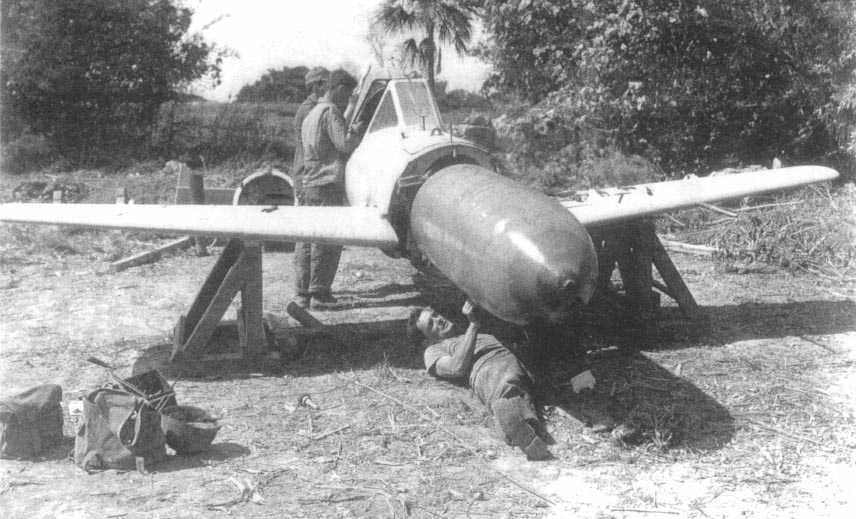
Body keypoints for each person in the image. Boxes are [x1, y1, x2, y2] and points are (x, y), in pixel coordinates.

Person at [409, 300, 553, 460]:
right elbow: (456, 367)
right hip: (489, 367)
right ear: (426, 340)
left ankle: (525, 425)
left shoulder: (467, 334)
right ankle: (518, 425)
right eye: (431, 324)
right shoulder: (433, 350)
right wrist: (473, 324)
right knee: (507, 389)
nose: (439, 319)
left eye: (435, 315)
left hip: (517, 363)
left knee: (530, 390)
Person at [293, 69, 362, 309]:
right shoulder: (331, 111)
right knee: (327, 240)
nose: (347, 99)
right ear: (340, 89)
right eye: (347, 94)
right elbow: (344, 145)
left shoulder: (312, 113)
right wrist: (356, 131)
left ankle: (302, 293)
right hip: (327, 183)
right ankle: (320, 295)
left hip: (310, 182)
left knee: (307, 240)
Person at [292, 67, 330, 184]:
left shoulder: (315, 107)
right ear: (315, 86)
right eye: (326, 84)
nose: (329, 89)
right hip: (307, 174)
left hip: (308, 173)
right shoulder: (310, 110)